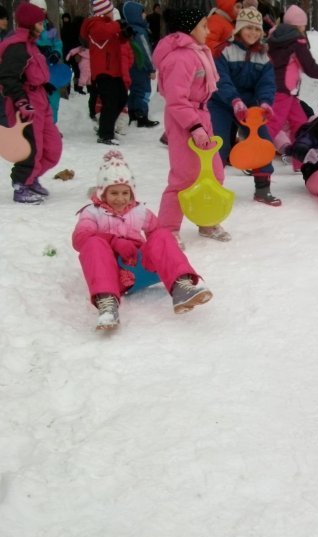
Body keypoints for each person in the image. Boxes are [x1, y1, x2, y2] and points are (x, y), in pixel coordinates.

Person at [72, 151, 213, 331]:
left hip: (140, 268)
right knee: (92, 243)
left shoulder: (139, 211)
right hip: (112, 275)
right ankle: (107, 304)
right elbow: (80, 239)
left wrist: (166, 249)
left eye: (125, 193)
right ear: (102, 193)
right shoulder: (92, 213)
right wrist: (113, 241)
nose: (120, 198)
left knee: (162, 235)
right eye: (113, 193)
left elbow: (158, 236)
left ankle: (181, 288)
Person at [153, 8, 230, 245]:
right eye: (204, 26)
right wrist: (194, 126)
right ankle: (167, 229)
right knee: (184, 176)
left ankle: (206, 219)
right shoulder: (179, 58)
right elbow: (176, 99)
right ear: (189, 29)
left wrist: (201, 122)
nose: (208, 31)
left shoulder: (197, 52)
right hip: (183, 122)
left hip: (201, 116)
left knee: (214, 172)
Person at [210, 7, 280, 205]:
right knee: (219, 143)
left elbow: (267, 83)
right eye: (248, 28)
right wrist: (234, 100)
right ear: (239, 29)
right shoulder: (224, 50)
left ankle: (262, 189)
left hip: (249, 106)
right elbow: (221, 79)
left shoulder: (263, 55)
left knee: (262, 142)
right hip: (222, 102)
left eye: (257, 29)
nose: (253, 33)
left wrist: (265, 102)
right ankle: (213, 188)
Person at [0, 2, 62, 204]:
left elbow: (32, 72)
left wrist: (44, 85)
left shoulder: (31, 44)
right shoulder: (17, 46)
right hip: (26, 102)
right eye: (39, 23)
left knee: (52, 146)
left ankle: (31, 177)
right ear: (30, 23)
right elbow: (8, 77)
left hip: (40, 98)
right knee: (31, 146)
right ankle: (21, 185)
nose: (42, 26)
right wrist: (21, 102)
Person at [266, 5, 318, 153]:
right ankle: (256, 155)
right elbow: (309, 67)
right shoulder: (296, 42)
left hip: (285, 90)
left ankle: (300, 158)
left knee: (300, 123)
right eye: (304, 25)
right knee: (273, 124)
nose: (304, 28)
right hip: (283, 90)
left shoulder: (274, 38)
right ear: (298, 25)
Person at [80, 0, 129, 144]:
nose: (112, 13)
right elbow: (102, 33)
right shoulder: (94, 24)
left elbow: (115, 39)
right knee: (110, 101)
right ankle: (105, 134)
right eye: (110, 10)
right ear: (104, 12)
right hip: (103, 71)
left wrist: (125, 34)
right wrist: (118, 24)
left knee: (121, 97)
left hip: (114, 70)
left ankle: (105, 126)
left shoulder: (108, 25)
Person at [122, 1, 159, 127]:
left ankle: (133, 113)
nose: (145, 15)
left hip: (131, 66)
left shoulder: (128, 29)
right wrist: (151, 68)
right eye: (142, 12)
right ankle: (142, 115)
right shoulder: (140, 32)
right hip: (141, 66)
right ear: (135, 15)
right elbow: (146, 51)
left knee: (134, 90)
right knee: (144, 91)